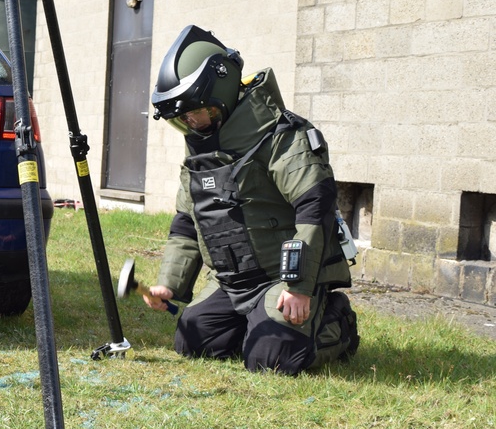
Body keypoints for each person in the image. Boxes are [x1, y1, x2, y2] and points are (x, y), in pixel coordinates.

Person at [142, 25, 359, 374]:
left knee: (272, 360)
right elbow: (186, 221)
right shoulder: (201, 150)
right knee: (192, 341)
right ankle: (260, 322)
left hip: (280, 275)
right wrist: (169, 284)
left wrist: (299, 287)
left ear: (222, 92)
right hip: (231, 279)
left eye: (198, 111)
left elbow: (315, 209)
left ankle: (338, 320)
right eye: (183, 118)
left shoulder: (283, 136)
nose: (192, 122)